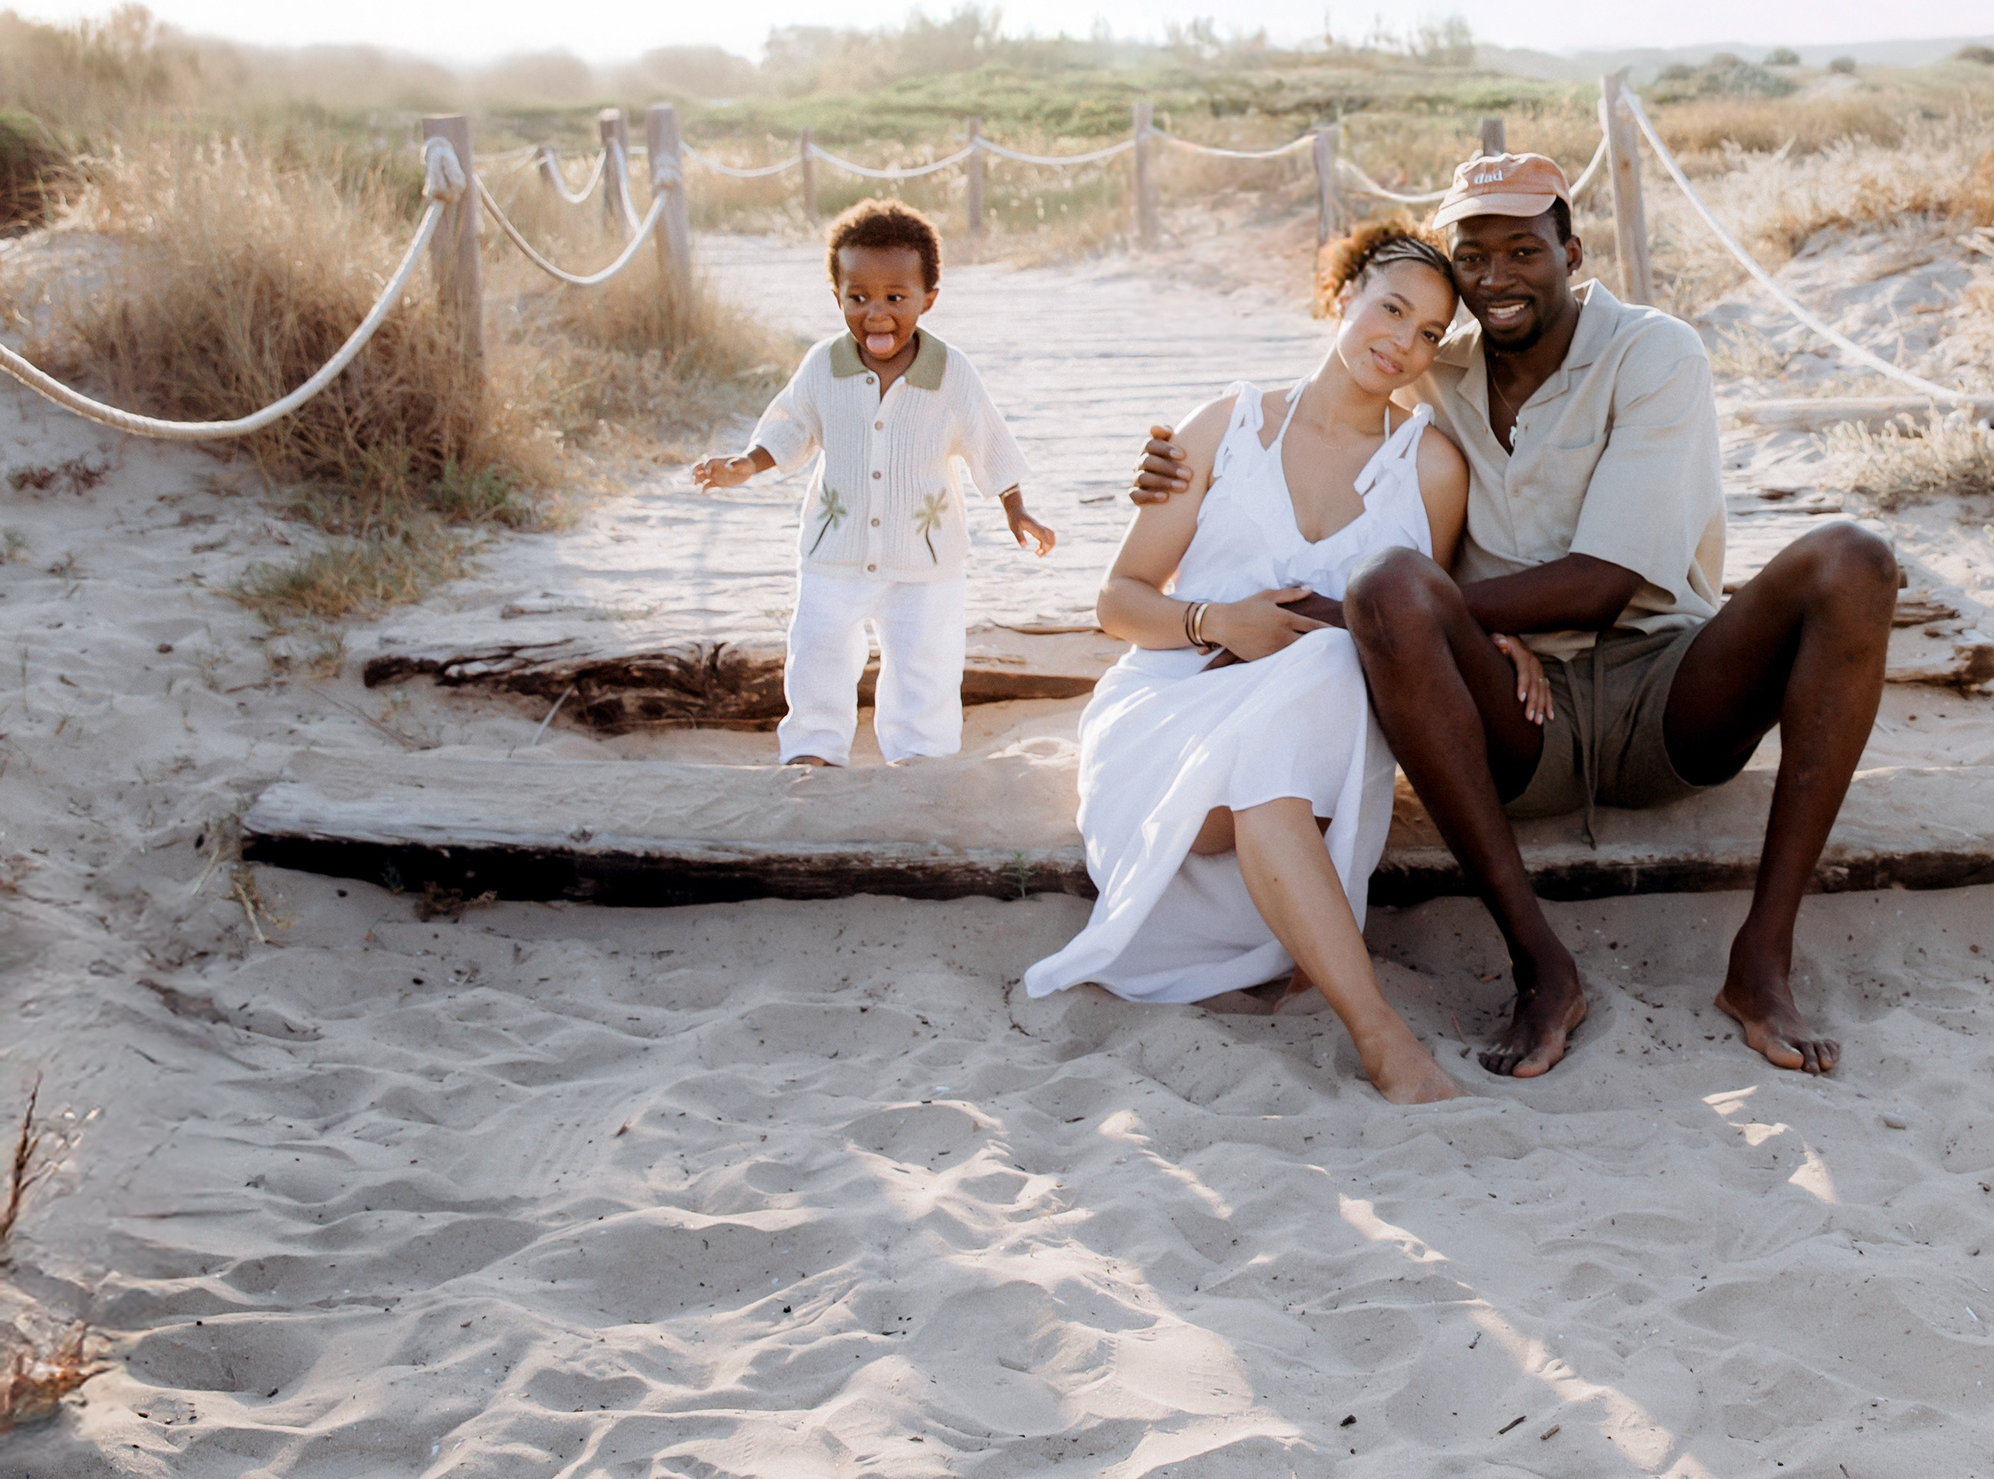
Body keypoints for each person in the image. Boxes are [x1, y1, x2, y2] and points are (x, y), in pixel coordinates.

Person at [1134, 153, 1898, 1080]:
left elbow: (1603, 585)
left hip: (1670, 691)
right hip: (1514, 722)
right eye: (1475, 256)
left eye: (1522, 250)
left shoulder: (1654, 352)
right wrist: (1175, 464)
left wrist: (1346, 616)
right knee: (1389, 586)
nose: (1496, 277)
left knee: (1855, 557)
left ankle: (1762, 958)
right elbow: (1329, 389)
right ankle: (1540, 963)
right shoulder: (1434, 363)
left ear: (1570, 252)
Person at [1025, 222, 1504, 1106]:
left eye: (1431, 333)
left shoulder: (1427, 468)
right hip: (1173, 714)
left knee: (1326, 666)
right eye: (1390, 308)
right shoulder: (1225, 426)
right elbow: (1119, 600)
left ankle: (1375, 1033)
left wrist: (1511, 644)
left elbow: (1431, 623)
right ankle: (1383, 1038)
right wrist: (1218, 622)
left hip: (1309, 750)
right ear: (1341, 296)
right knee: (1314, 678)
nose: (1403, 342)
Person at [693, 198, 1054, 766]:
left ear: (928, 298)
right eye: (857, 297)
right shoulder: (823, 365)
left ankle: (920, 759)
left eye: (896, 297)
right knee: (817, 654)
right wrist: (744, 464)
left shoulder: (951, 372)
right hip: (833, 551)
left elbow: (987, 438)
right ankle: (812, 753)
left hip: (926, 559)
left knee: (924, 662)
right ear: (836, 295)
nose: (876, 314)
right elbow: (791, 427)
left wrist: (1016, 508)